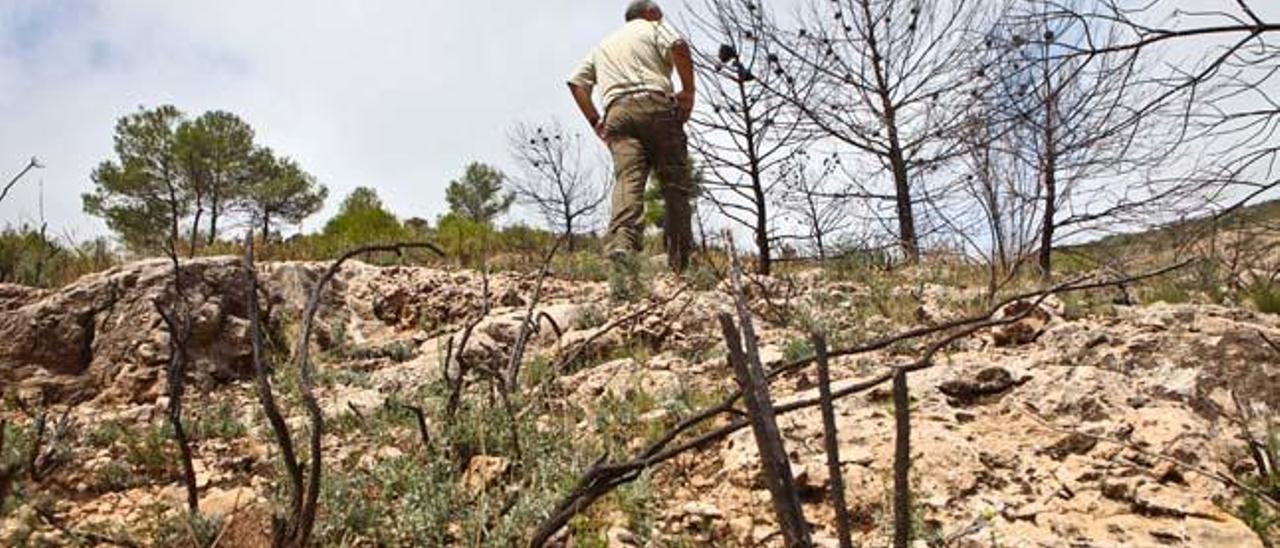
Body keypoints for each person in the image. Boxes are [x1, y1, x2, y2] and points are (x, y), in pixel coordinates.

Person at [567, 0, 696, 274]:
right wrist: (689, 91)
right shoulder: (653, 27)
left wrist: (595, 121)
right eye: (658, 14)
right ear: (649, 13)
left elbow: (577, 83)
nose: (661, 17)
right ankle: (679, 259)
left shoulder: (603, 45)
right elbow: (679, 47)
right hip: (655, 104)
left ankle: (622, 246)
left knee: (627, 180)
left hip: (617, 113)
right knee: (675, 183)